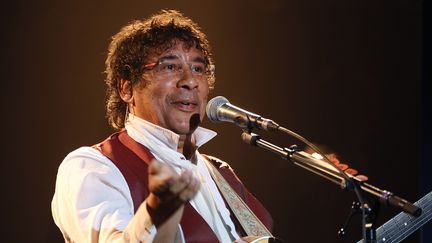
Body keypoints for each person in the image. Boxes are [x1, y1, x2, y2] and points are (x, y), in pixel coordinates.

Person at [51, 10, 272, 243]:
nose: (190, 81)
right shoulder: (94, 166)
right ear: (126, 88)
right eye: (169, 67)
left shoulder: (219, 172)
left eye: (199, 69)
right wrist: (155, 214)